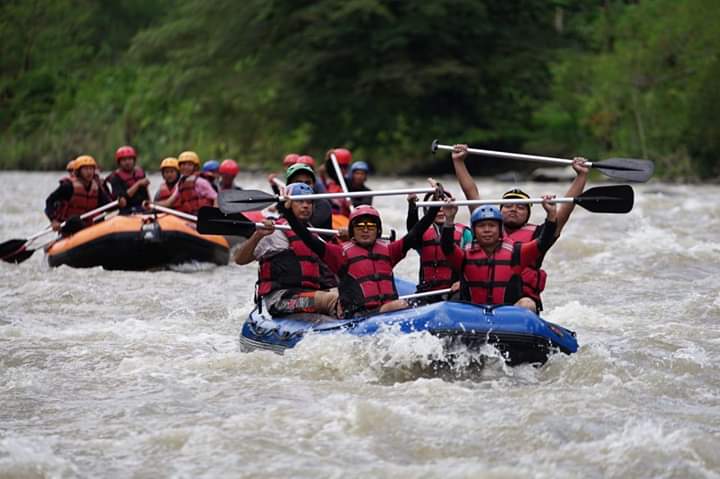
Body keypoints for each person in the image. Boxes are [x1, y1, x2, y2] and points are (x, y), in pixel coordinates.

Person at [451, 144, 589, 310]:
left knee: (527, 304)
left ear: (528, 214)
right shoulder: (486, 227)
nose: (514, 209)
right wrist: (459, 162)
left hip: (518, 304)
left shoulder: (538, 235)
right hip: (481, 301)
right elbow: (471, 193)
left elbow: (564, 212)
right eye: (508, 205)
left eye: (521, 207)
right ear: (499, 211)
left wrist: (581, 176)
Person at [285, 202, 441, 318]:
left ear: (378, 230)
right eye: (360, 226)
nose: (365, 230)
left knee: (419, 303)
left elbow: (415, 233)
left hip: (389, 313)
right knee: (401, 305)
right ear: (352, 231)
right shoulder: (340, 254)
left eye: (370, 226)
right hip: (360, 316)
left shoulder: (389, 250)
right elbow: (309, 239)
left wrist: (434, 208)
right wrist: (287, 212)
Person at [233, 183, 339, 317]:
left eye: (309, 202)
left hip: (308, 295)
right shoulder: (275, 232)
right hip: (282, 299)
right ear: (288, 204)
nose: (305, 206)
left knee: (346, 295)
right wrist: (257, 235)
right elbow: (239, 260)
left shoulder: (315, 235)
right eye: (300, 201)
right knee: (332, 299)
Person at [441, 201, 557, 312]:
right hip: (473, 313)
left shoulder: (516, 253)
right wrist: (449, 219)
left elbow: (543, 243)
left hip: (506, 314)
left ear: (500, 230)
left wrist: (551, 215)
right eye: (481, 226)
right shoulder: (464, 255)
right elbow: (447, 246)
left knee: (528, 305)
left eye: (492, 226)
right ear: (474, 230)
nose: (487, 230)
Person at [406, 190, 473, 296]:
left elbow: (474, 264)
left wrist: (463, 282)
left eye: (444, 204)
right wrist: (412, 208)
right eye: (436, 205)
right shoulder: (421, 234)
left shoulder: (466, 234)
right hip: (427, 294)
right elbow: (412, 233)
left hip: (455, 292)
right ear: (427, 210)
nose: (441, 210)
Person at [45, 155, 112, 235]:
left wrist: (120, 202)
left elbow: (108, 205)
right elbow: (49, 201)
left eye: (91, 169)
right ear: (78, 172)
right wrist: (54, 221)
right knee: (75, 220)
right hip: (70, 225)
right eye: (85, 169)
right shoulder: (68, 186)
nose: (89, 172)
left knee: (99, 217)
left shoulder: (97, 187)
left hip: (90, 226)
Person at [283, 163, 333, 230]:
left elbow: (305, 229)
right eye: (298, 182)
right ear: (289, 185)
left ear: (313, 185)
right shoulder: (283, 202)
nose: (304, 186)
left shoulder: (323, 205)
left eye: (308, 183)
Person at [104, 145, 150, 214]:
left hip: (141, 208)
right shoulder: (115, 177)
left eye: (130, 159)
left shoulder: (140, 172)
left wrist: (149, 203)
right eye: (124, 160)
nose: (127, 162)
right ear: (119, 162)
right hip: (125, 209)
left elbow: (146, 193)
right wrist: (138, 184)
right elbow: (123, 199)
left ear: (134, 160)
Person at [322, 148, 352, 216]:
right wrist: (329, 159)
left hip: (344, 216)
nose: (342, 170)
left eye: (345, 167)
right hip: (332, 215)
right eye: (340, 167)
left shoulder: (349, 182)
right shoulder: (329, 180)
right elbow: (326, 170)